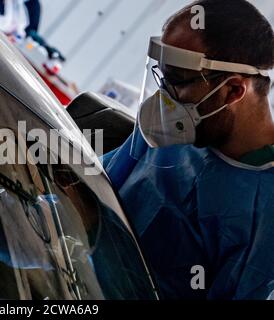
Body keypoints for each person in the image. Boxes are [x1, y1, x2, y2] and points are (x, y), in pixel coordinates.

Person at [104, 0, 274, 299]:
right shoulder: (164, 135)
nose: (164, 98)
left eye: (178, 81)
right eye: (163, 77)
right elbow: (85, 197)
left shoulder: (264, 212)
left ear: (233, 91)